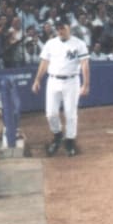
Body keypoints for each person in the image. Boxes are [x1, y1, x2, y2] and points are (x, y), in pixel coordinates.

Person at [31, 17, 91, 157]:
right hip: (53, 81)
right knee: (51, 113)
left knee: (70, 114)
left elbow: (84, 65)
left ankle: (70, 140)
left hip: (71, 81)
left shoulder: (79, 44)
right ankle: (57, 136)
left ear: (69, 27)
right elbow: (44, 63)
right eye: (58, 28)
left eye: (62, 27)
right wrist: (37, 80)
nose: (60, 30)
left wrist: (86, 84)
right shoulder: (50, 43)